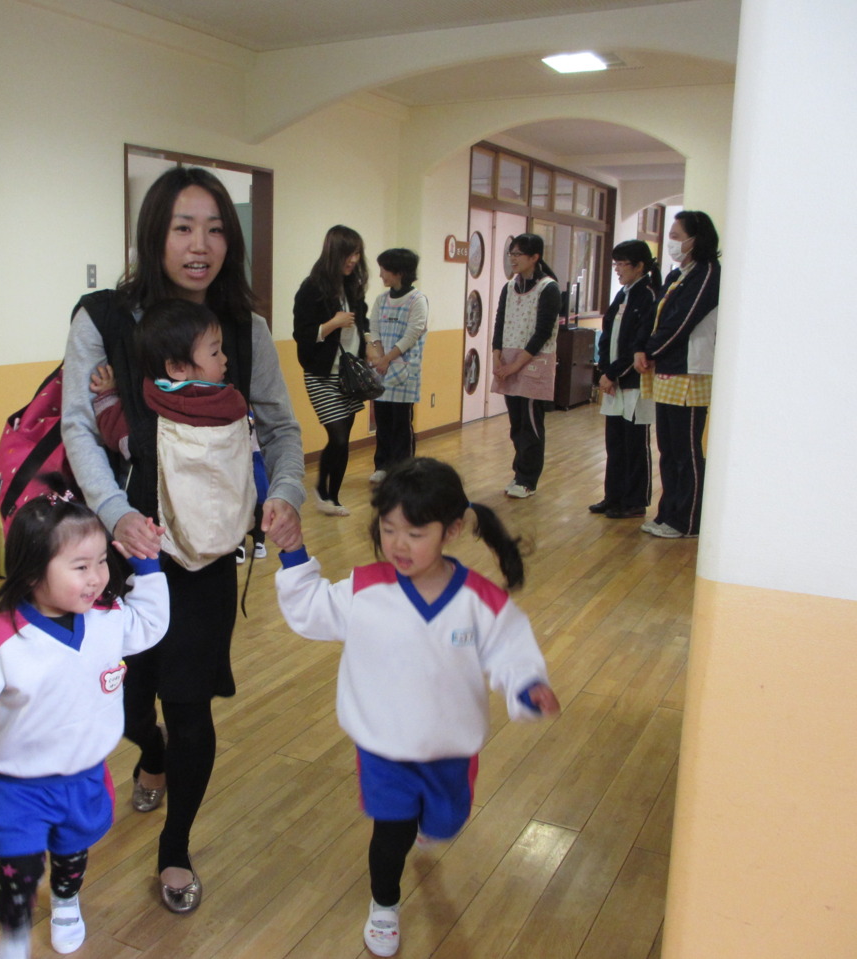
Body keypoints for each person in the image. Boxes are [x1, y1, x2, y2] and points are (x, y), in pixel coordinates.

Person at [61, 166, 305, 913]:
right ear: (155, 234)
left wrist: (286, 493)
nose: (201, 245)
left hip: (204, 554)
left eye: (216, 229)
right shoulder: (103, 319)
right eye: (184, 228)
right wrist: (113, 513)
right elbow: (80, 426)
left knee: (190, 702)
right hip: (121, 551)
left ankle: (175, 849)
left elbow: (281, 428)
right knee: (128, 703)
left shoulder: (244, 330)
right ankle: (152, 753)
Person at [274, 457, 560, 957]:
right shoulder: (367, 589)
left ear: (451, 530)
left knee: (445, 823)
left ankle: (431, 824)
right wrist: (293, 551)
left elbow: (511, 651)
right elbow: (312, 609)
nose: (399, 545)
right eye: (389, 530)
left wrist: (527, 685)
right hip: (383, 747)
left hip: (450, 748)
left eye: (415, 533)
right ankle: (384, 904)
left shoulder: (479, 601)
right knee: (392, 833)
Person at [0, 494, 169, 958]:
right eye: (80, 567)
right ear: (32, 573)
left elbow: (149, 625)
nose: (97, 576)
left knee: (71, 855)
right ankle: (14, 933)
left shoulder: (106, 618)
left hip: (83, 775)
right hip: (18, 786)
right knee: (18, 869)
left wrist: (148, 568)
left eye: (101, 562)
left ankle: (65, 901)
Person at [89, 297, 255, 571]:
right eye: (215, 353)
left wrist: (107, 395)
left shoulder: (150, 412)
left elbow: (117, 436)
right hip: (232, 526)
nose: (225, 359)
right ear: (177, 368)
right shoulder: (232, 403)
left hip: (169, 541)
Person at [634, 211, 720, 538]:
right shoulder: (677, 274)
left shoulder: (708, 273)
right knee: (668, 449)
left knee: (687, 451)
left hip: (691, 372)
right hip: (666, 369)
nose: (671, 241)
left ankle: (689, 521)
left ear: (696, 240)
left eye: (676, 235)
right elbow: (654, 317)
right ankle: (668, 514)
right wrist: (641, 348)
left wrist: (650, 350)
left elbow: (682, 322)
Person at [292, 225, 371, 516]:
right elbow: (302, 334)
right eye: (349, 254)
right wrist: (332, 323)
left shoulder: (352, 286)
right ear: (333, 253)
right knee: (337, 436)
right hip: (321, 374)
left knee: (342, 439)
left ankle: (331, 497)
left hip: (349, 374)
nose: (354, 260)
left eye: (357, 253)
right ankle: (323, 492)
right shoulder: (312, 287)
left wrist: (371, 344)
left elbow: (363, 321)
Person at [589, 240, 661, 519]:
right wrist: (605, 371)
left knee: (634, 443)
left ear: (639, 266)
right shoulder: (623, 293)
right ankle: (613, 496)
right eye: (615, 264)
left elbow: (638, 342)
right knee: (615, 442)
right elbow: (608, 336)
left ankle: (635, 500)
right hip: (614, 380)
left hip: (633, 381)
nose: (617, 269)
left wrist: (613, 373)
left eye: (622, 264)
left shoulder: (648, 295)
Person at [491, 233, 561, 498]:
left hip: (534, 362)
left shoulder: (548, 288)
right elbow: (500, 322)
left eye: (518, 254)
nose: (513, 259)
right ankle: (518, 474)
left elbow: (543, 332)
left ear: (534, 257)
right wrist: (497, 356)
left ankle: (528, 480)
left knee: (530, 424)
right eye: (511, 253)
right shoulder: (509, 287)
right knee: (516, 423)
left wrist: (516, 365)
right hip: (508, 360)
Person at [367, 248, 428, 484]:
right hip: (382, 369)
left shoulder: (417, 300)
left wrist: (387, 358)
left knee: (401, 424)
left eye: (384, 270)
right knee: (382, 421)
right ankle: (382, 465)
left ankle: (404, 470)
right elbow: (374, 329)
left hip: (404, 370)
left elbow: (412, 334)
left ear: (399, 272)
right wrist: (378, 354)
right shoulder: (381, 300)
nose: (380, 274)